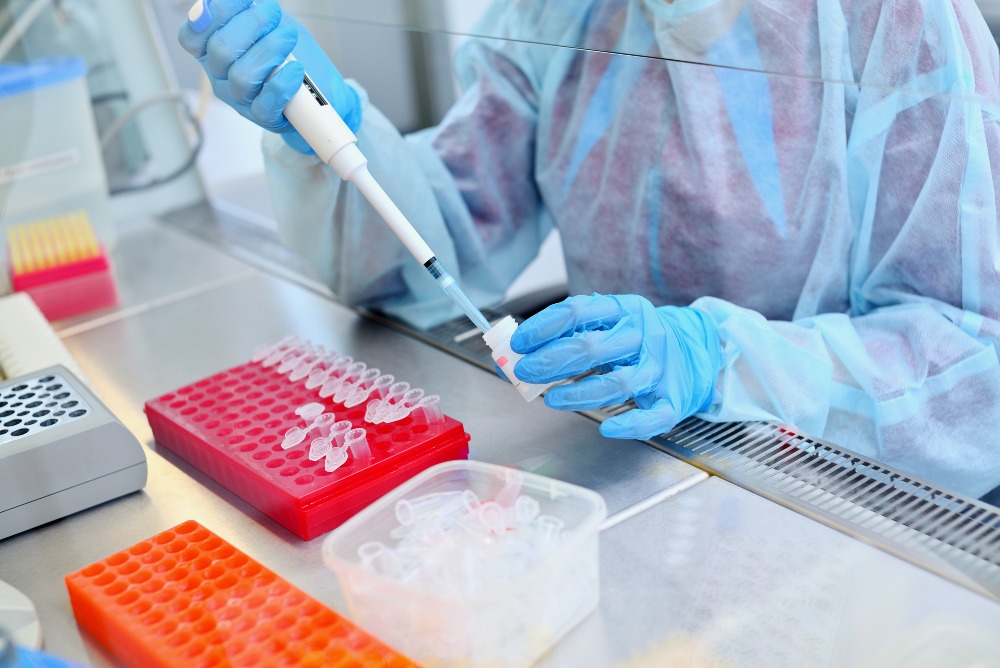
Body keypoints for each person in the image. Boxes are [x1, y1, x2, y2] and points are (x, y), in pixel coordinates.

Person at [179, 0, 1000, 499]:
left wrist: (719, 362)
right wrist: (329, 133)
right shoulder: (562, 16)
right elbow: (426, 258)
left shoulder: (895, 24)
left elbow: (973, 364)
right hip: (627, 470)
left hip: (847, 510)